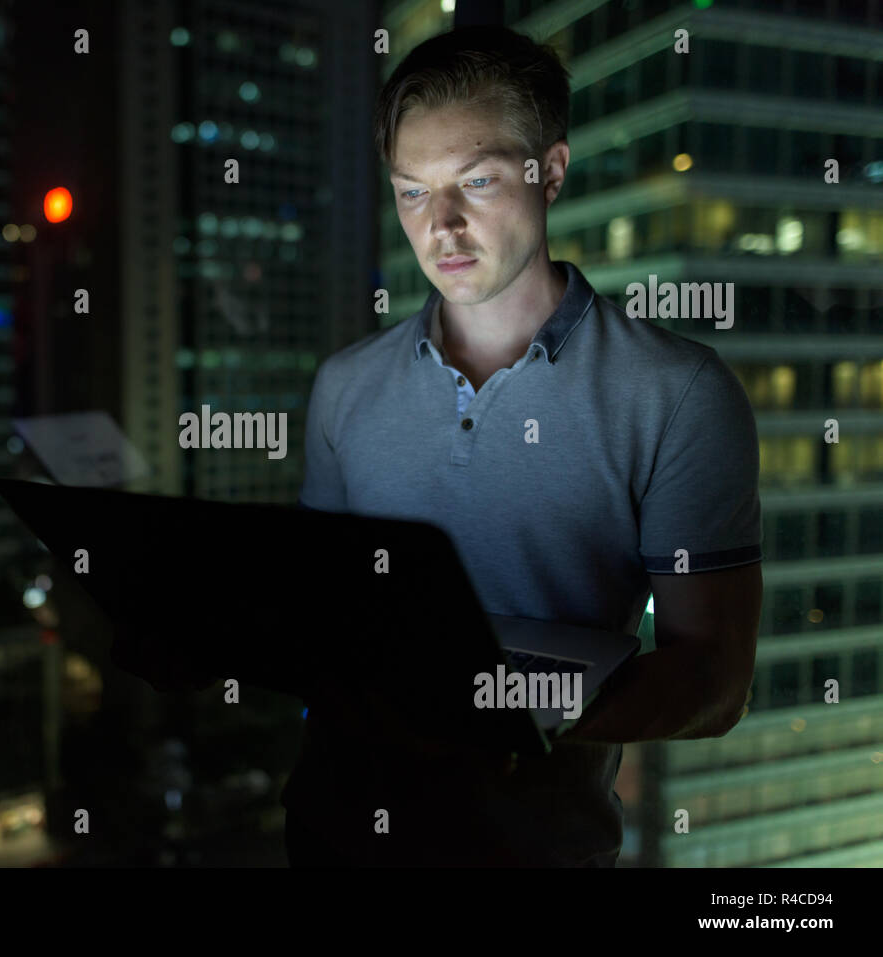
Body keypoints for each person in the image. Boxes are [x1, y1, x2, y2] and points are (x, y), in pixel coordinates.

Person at [283, 25, 764, 867]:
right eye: (411, 192)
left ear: (553, 170)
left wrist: (500, 710)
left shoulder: (678, 392)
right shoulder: (344, 385)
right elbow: (326, 613)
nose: (442, 226)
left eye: (477, 181)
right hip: (331, 837)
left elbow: (714, 679)